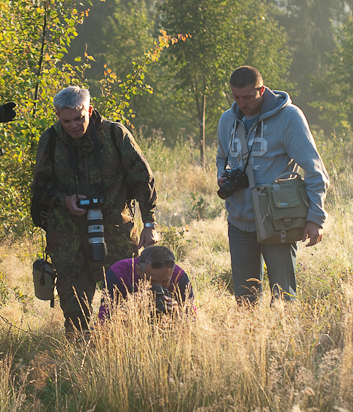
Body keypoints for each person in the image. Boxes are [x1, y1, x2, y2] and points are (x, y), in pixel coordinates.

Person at [31, 86, 158, 335]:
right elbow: (40, 186)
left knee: (126, 295)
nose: (74, 125)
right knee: (73, 301)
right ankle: (78, 352)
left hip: (115, 228)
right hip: (68, 234)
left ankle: (120, 350)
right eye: (66, 120)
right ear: (58, 116)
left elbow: (143, 179)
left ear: (89, 109)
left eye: (79, 118)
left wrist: (150, 223)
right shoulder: (51, 139)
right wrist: (64, 199)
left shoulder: (114, 134)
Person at [216, 66, 329, 304]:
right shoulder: (228, 119)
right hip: (239, 220)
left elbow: (314, 169)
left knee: (284, 298)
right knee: (245, 299)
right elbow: (221, 156)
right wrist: (222, 174)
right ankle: (252, 339)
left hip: (280, 222)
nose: (241, 103)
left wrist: (315, 218)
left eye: (247, 97)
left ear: (262, 90)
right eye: (235, 97)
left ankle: (284, 339)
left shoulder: (289, 117)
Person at [98, 245, 194, 320]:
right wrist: (128, 309)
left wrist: (177, 314)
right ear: (138, 270)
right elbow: (104, 320)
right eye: (152, 281)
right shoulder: (119, 274)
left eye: (165, 281)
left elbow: (193, 321)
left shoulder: (179, 277)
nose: (158, 286)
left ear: (172, 273)